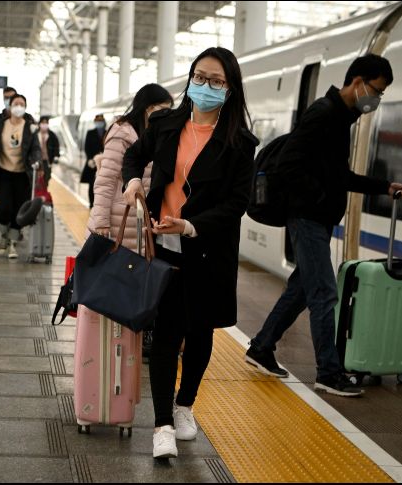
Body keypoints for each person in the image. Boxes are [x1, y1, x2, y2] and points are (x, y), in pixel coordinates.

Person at [244, 54, 402, 397]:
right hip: (308, 218)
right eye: (376, 91)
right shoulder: (323, 114)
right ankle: (328, 372)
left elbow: (341, 177)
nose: (376, 99)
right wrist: (320, 197)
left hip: (316, 219)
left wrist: (385, 187)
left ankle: (262, 347)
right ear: (358, 82)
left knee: (303, 289)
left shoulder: (341, 117)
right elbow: (290, 164)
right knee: (325, 292)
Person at [122, 47, 258, 459]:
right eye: (200, 77)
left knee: (199, 333)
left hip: (208, 250)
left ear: (230, 89)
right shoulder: (166, 123)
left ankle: (185, 406)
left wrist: (192, 225)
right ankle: (162, 424)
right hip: (165, 247)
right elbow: (134, 155)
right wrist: (132, 182)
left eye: (217, 81)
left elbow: (238, 203)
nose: (206, 86)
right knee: (165, 335)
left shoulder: (239, 143)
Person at [87, 84, 173, 361]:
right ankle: (116, 338)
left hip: (143, 222)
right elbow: (106, 179)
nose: (166, 115)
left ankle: (137, 332)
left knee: (139, 279)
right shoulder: (123, 134)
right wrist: (100, 223)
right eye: (162, 109)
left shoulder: (154, 134)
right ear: (148, 108)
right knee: (119, 279)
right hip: (117, 221)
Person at [0, 94, 43, 259]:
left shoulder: (30, 127)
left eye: (22, 104)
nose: (19, 106)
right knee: (4, 209)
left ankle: (12, 244)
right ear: (10, 107)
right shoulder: (0, 126)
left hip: (23, 174)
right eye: (16, 103)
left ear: (25, 108)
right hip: (4, 173)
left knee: (18, 211)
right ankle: (4, 234)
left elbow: (36, 149)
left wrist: (37, 161)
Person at [81, 114, 106, 207]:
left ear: (104, 122)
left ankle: (100, 204)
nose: (99, 123)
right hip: (92, 163)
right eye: (97, 121)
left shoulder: (107, 132)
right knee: (92, 184)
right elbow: (87, 147)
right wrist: (91, 159)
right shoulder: (90, 133)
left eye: (101, 121)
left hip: (104, 163)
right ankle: (91, 204)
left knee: (102, 185)